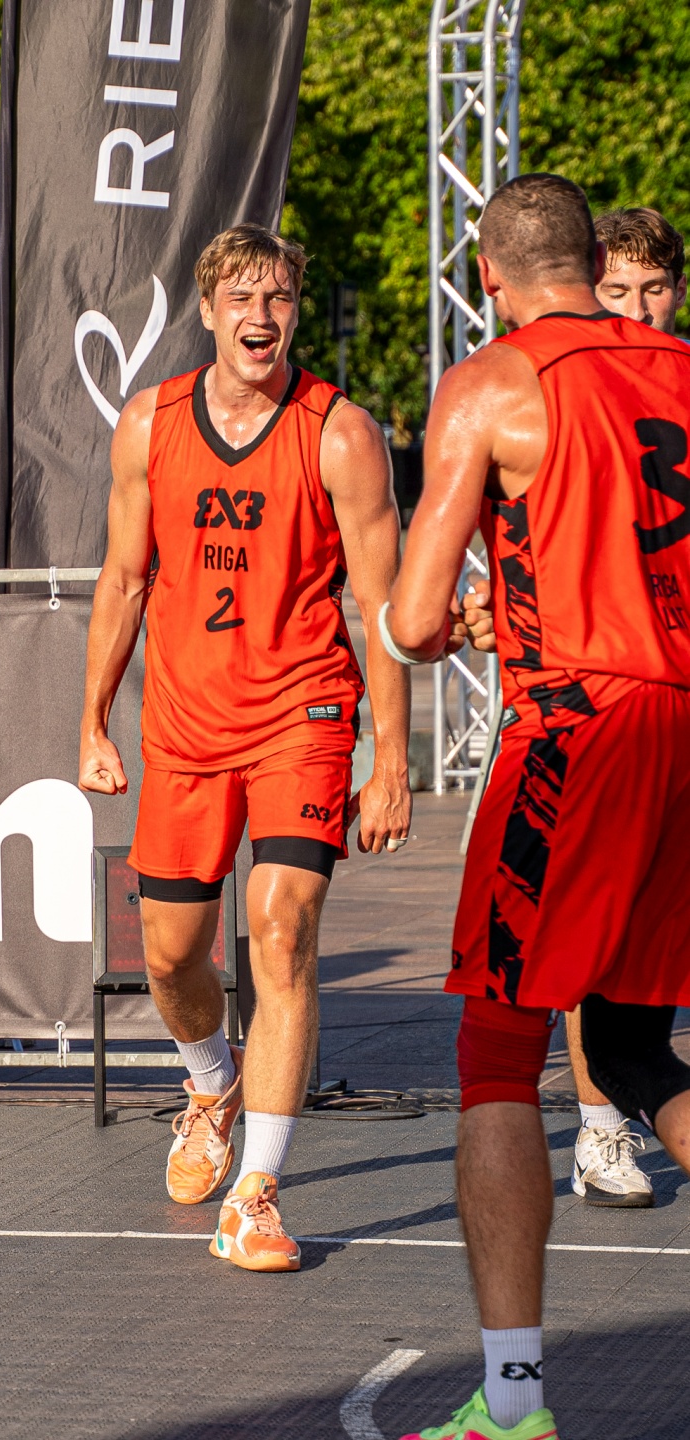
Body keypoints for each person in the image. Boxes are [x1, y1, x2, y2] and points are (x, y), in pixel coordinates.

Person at [382, 174, 690, 1439]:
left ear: (487, 272)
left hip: (582, 725)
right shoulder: (678, 367)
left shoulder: (494, 382)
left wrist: (460, 616)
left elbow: (411, 619)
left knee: (497, 1057)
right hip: (682, 720)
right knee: (631, 1052)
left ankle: (510, 1405)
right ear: (589, 264)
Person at [79, 223, 425, 1273]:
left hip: (300, 718)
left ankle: (257, 1195)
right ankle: (208, 1082)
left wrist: (391, 761)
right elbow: (124, 580)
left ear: (295, 310)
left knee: (281, 936)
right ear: (208, 310)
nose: (261, 317)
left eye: (277, 298)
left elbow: (380, 606)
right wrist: (91, 722)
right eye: (241, 298)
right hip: (186, 726)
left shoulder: (340, 433)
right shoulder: (150, 422)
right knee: (170, 955)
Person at [557, 206, 688, 1208]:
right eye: (616, 291)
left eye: (652, 289)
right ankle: (599, 1128)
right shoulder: (563, 390)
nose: (636, 308)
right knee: (590, 942)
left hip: (668, 697)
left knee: (642, 958)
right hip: (602, 697)